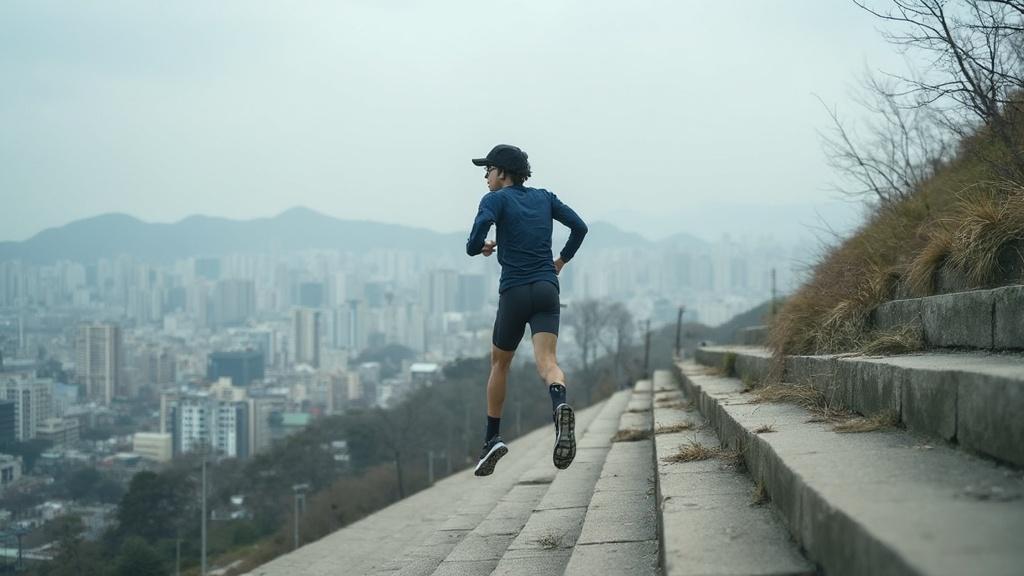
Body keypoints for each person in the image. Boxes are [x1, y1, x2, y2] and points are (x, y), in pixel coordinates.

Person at [465, 144, 588, 477]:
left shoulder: (494, 199)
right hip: (547, 288)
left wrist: (483, 247)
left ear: (502, 173)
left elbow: (473, 241)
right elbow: (580, 228)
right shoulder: (545, 197)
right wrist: (560, 261)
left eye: (487, 170)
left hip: (515, 291)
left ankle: (491, 438)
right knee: (548, 363)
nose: (486, 177)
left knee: (500, 362)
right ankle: (559, 404)